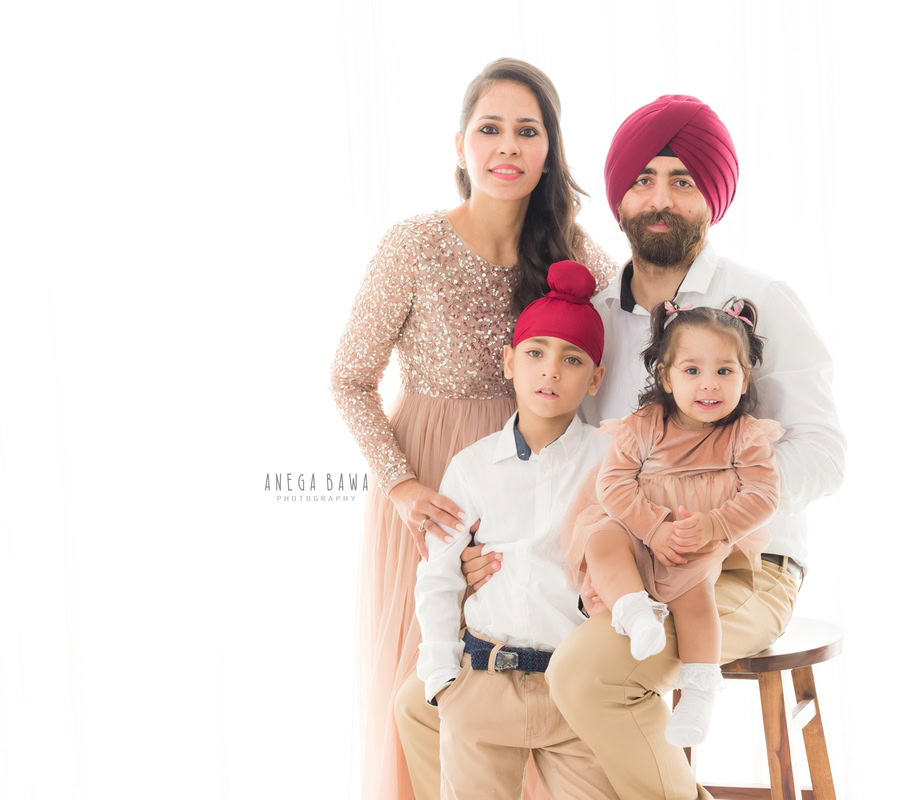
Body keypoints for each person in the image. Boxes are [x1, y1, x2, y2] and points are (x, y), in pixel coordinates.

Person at [541, 94, 846, 799]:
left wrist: (712, 513)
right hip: (622, 560)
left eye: (682, 181)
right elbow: (571, 457)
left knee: (586, 675)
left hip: (743, 565)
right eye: (644, 179)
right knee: (480, 681)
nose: (660, 199)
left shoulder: (761, 299)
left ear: (712, 198)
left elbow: (825, 453)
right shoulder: (592, 320)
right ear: (619, 198)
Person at [329, 58, 617, 800]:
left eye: (527, 131)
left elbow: (628, 357)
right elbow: (350, 378)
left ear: (550, 149)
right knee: (433, 687)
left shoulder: (576, 254)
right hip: (432, 488)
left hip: (539, 485)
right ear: (460, 145)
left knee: (533, 675)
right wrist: (400, 486)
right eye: (489, 129)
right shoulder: (414, 245)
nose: (507, 146)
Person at [413, 260, 618, 799]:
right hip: (484, 683)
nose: (550, 371)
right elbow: (438, 574)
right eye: (535, 353)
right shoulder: (472, 467)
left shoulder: (610, 460)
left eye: (571, 359)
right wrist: (441, 678)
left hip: (575, 690)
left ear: (595, 379)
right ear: (509, 361)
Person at [565, 297, 784, 748]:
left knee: (696, 600)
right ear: (666, 377)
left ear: (745, 378)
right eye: (692, 370)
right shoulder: (645, 424)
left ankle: (699, 692)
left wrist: (713, 526)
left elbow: (764, 496)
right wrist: (653, 529)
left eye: (724, 370)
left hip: (692, 541)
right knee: (601, 540)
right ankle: (634, 612)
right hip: (634, 526)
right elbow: (613, 485)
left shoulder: (745, 436)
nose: (709, 383)